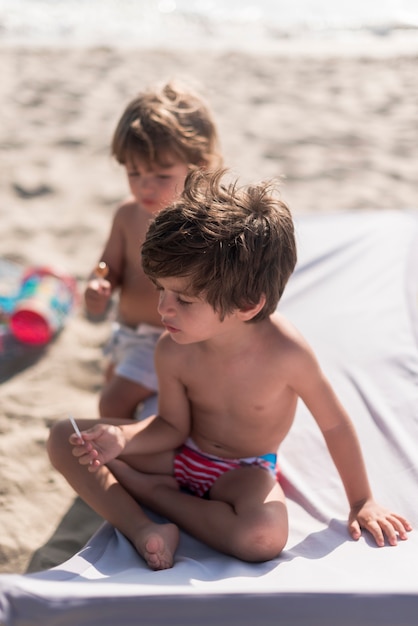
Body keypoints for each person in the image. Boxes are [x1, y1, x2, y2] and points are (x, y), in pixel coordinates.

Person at [48, 169, 411, 571]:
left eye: (183, 300)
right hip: (180, 453)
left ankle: (155, 496)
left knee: (262, 537)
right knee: (66, 436)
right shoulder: (172, 348)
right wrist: (123, 437)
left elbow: (335, 425)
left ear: (247, 304)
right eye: (160, 290)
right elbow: (171, 426)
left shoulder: (285, 353)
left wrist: (361, 501)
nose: (163, 309)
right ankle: (143, 529)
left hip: (241, 471)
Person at [84, 81, 222, 419]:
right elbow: (108, 265)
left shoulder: (200, 224)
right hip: (127, 334)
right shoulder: (127, 215)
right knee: (112, 386)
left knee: (113, 404)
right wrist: (99, 284)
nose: (145, 185)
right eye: (134, 173)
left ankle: (123, 459)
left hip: (168, 340)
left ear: (199, 167)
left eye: (161, 175)